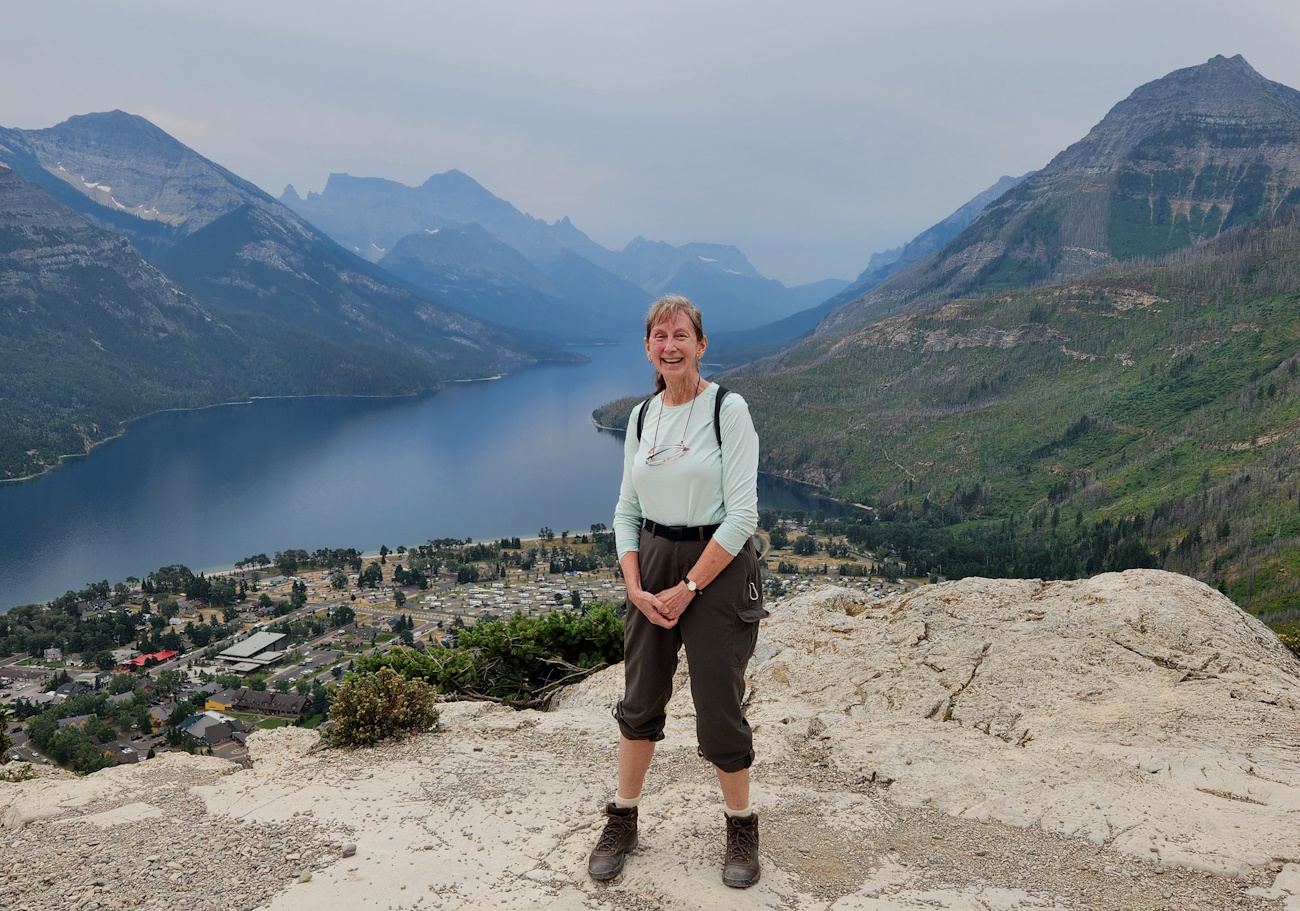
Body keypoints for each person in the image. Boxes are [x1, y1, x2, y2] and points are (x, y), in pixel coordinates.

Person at [588, 294, 767, 888]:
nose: (670, 346)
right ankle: (623, 818)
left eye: (681, 335)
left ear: (701, 344)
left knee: (718, 703)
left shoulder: (727, 410)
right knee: (639, 698)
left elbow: (743, 515)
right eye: (660, 336)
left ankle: (741, 826)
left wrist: (689, 586)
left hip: (717, 565)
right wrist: (635, 585)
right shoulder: (642, 417)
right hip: (653, 559)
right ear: (647, 348)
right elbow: (626, 510)